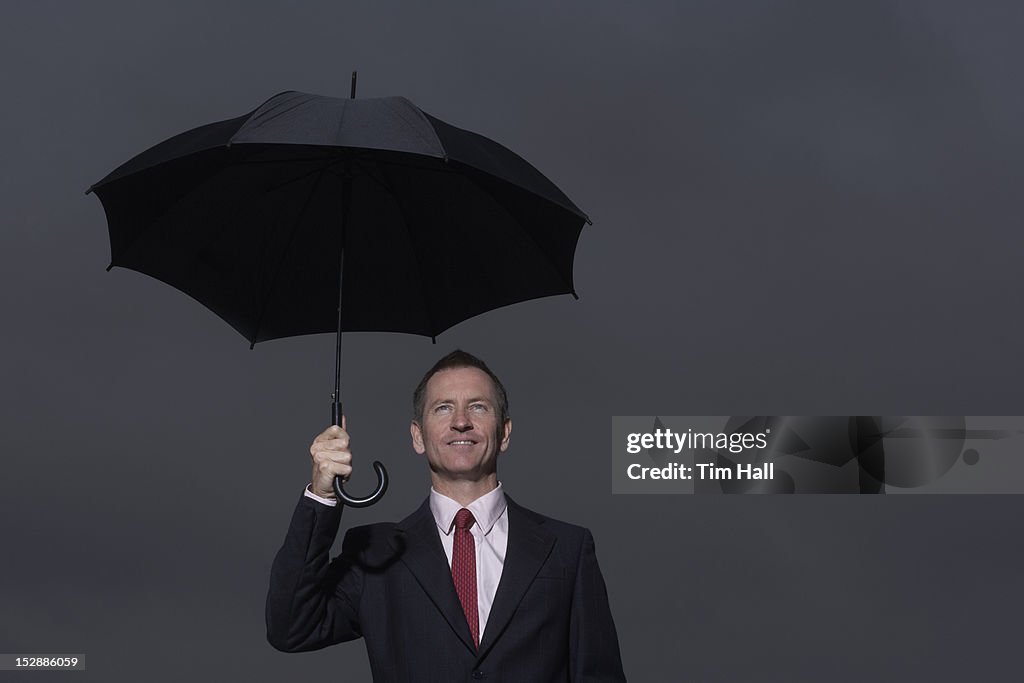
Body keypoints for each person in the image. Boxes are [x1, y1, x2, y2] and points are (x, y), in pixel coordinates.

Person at [266, 350, 626, 682]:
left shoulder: (567, 550)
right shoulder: (376, 554)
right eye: (442, 408)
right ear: (417, 437)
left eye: (478, 407)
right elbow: (292, 627)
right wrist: (323, 494)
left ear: (504, 433)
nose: (460, 422)